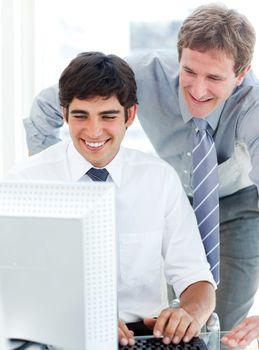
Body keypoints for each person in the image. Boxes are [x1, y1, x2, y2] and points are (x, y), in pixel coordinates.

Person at [23, 4, 259, 331]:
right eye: (189, 71)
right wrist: (67, 189)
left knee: (224, 325)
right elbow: (48, 109)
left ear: (241, 74)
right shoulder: (144, 73)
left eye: (215, 78)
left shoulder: (253, 104)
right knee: (171, 323)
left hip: (238, 201)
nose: (198, 89)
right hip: (177, 193)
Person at [6, 52, 216, 347]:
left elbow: (197, 279)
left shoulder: (159, 180)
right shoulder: (25, 181)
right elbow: (13, 287)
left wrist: (190, 314)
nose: (93, 131)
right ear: (64, 113)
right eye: (81, 116)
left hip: (142, 333)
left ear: (129, 115)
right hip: (57, 334)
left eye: (108, 116)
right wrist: (79, 319)